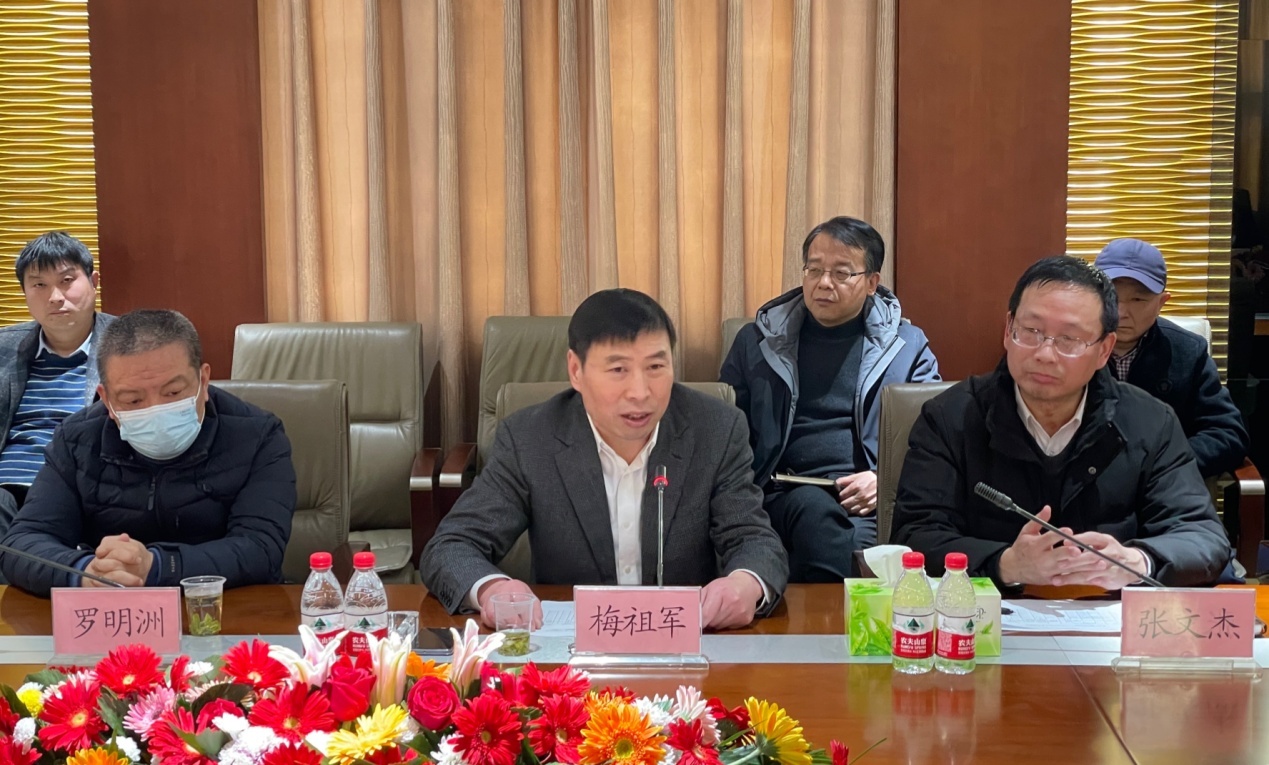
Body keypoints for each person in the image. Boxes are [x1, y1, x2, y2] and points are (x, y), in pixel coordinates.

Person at [421, 289, 789, 629]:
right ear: (576, 371)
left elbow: (754, 539)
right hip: (570, 654)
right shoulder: (530, 439)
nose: (640, 392)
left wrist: (746, 583)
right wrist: (492, 589)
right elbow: (451, 546)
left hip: (685, 646)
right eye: (618, 370)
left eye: (656, 367)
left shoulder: (716, 429)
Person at [891, 255, 1230, 589]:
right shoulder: (950, 417)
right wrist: (1005, 564)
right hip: (991, 613)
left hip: (1109, 610)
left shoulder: (1150, 421)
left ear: (1104, 349)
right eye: (1031, 331)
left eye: (1070, 339)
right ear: (1008, 330)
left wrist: (1138, 562)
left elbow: (1202, 536)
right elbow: (915, 535)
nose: (1044, 354)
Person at [0, 309, 296, 596]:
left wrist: (157, 567)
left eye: (173, 393)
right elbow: (22, 544)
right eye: (132, 400)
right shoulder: (77, 439)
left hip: (227, 608)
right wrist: (86, 572)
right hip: (112, 613)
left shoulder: (258, 434)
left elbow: (261, 548)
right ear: (106, 399)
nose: (155, 409)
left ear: (204, 381)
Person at [720, 216, 939, 582]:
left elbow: (932, 440)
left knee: (854, 547)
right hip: (781, 492)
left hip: (864, 500)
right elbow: (725, 430)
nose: (823, 283)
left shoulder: (907, 346)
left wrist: (884, 479)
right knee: (816, 519)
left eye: (841, 273)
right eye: (814, 270)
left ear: (872, 283)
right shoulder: (758, 342)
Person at [1093, 238, 1249, 479]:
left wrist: (1165, 465)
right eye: (1111, 297)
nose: (1121, 312)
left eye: (1138, 299)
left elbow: (1227, 434)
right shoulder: (1070, 346)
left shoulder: (1188, 351)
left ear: (1161, 303)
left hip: (1163, 485)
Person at [0, 232, 115, 527]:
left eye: (66, 280)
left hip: (79, 491)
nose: (55, 297)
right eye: (39, 285)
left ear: (94, 281)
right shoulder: (4, 347)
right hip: (6, 491)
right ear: (24, 292)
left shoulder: (129, 343)